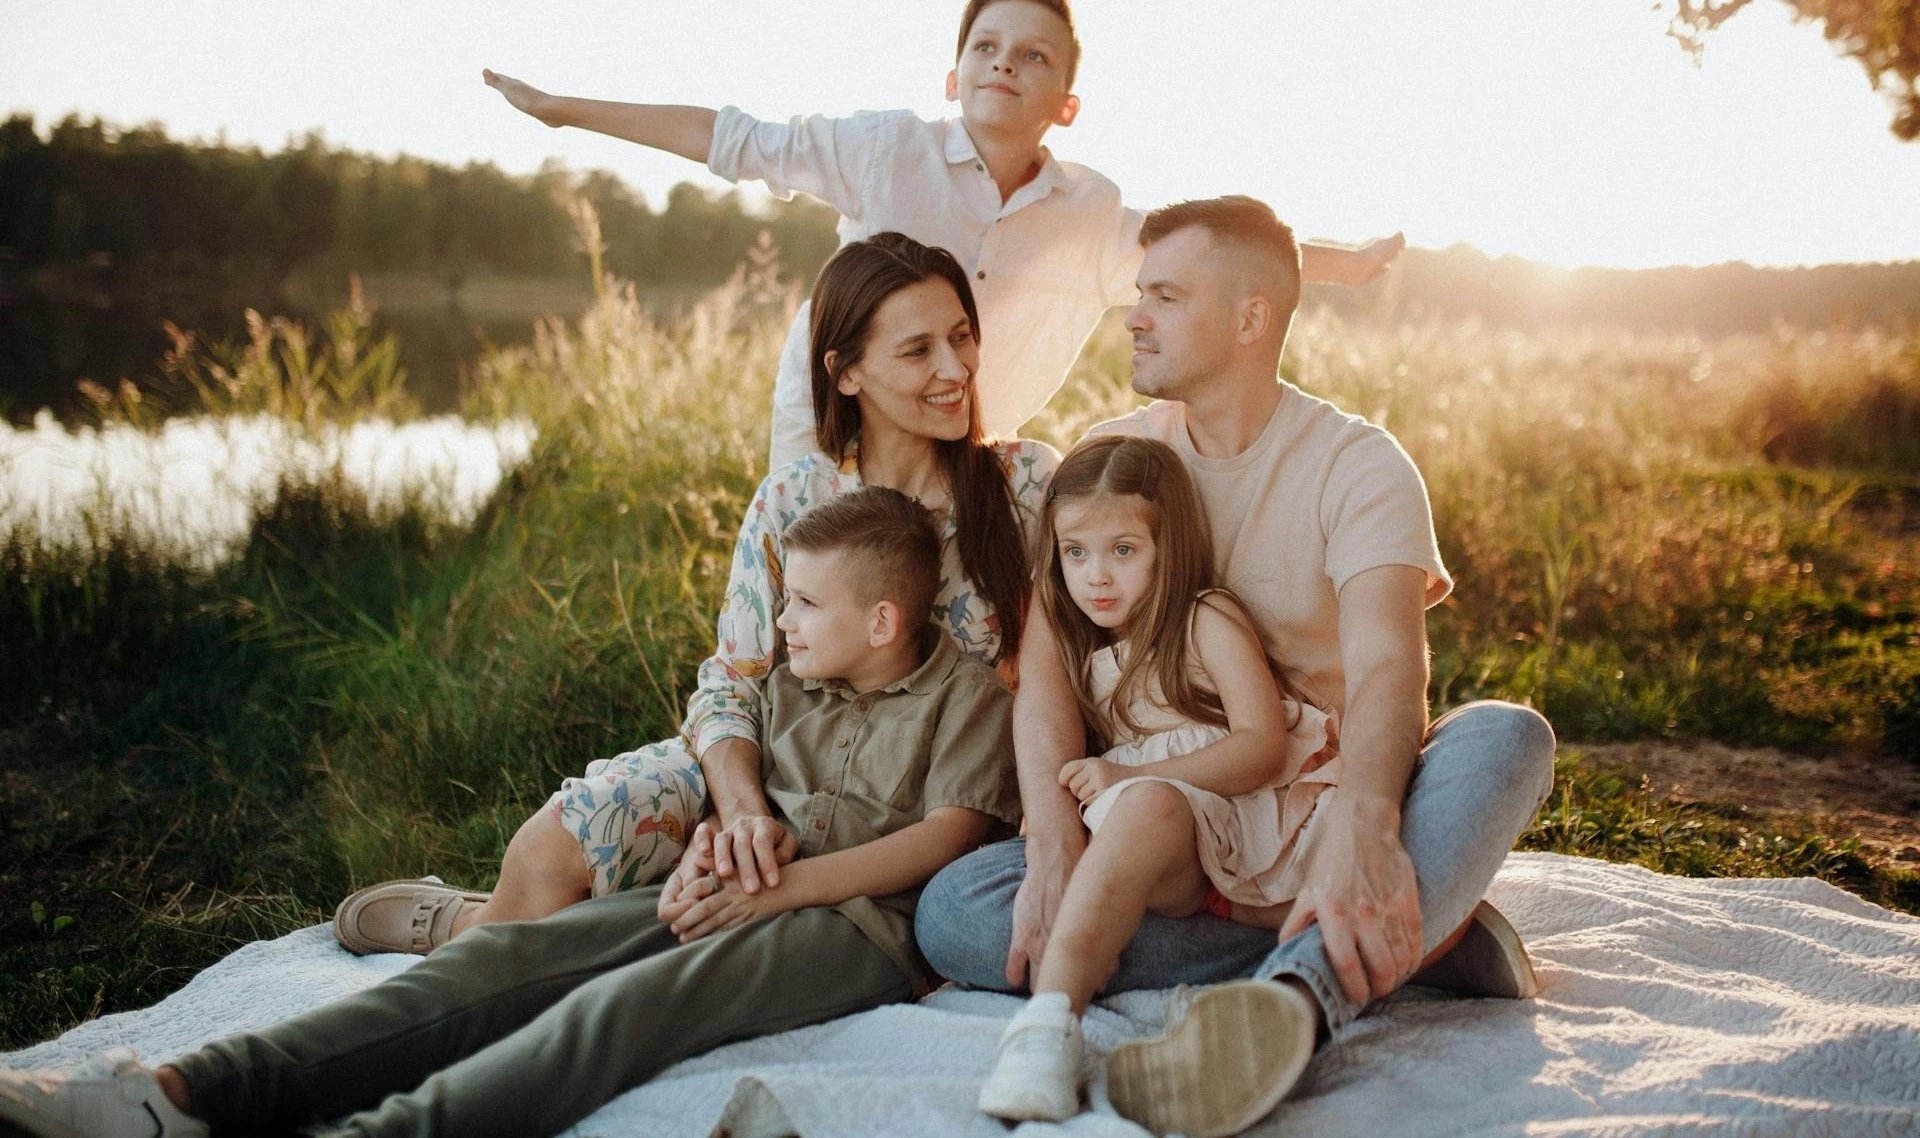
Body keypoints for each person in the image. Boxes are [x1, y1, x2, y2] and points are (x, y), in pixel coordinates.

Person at [0, 486, 1024, 1138]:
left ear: (882, 619)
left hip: (854, 930)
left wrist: (783, 888)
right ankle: (186, 1089)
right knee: (505, 959)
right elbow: (742, 783)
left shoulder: (968, 695)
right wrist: (723, 839)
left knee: (613, 1011)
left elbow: (943, 839)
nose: (782, 621)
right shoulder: (795, 685)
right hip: (734, 891)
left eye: (802, 602)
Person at [914, 195, 1558, 1138]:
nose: (1133, 315)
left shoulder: (1359, 465)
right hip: (1174, 820)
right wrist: (1051, 839)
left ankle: (1299, 996)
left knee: (1506, 738)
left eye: (1165, 296)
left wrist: (1369, 824)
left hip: (1319, 796)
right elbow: (1047, 673)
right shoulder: (1113, 459)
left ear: (1251, 318)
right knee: (956, 912)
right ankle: (1413, 935)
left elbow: (1390, 672)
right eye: (1139, 292)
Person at [330, 231, 1057, 955]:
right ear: (845, 374)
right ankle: (473, 925)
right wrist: (741, 813)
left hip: (928, 792)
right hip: (777, 766)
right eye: (917, 349)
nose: (955, 367)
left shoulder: (1026, 488)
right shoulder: (793, 499)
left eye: (962, 337)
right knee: (563, 843)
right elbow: (732, 684)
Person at [482, 0, 1406, 469]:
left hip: (968, 449)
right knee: (818, 604)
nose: (1006, 61)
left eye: (1033, 55)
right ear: (955, 78)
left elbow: (1209, 256)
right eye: (987, 48)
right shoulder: (884, 149)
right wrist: (562, 111)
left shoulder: (1089, 211)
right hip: (833, 426)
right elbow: (728, 138)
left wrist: (1347, 267)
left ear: (1067, 103)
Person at [975, 435, 1344, 1123]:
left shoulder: (1205, 618)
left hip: (1257, 817)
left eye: (1123, 550)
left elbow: (1261, 745)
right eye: (1075, 553)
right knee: (965, 901)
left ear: (1167, 547)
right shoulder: (1085, 650)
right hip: (1183, 861)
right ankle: (1046, 1029)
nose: (1097, 577)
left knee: (1147, 805)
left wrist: (1131, 772)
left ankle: (1050, 1020)